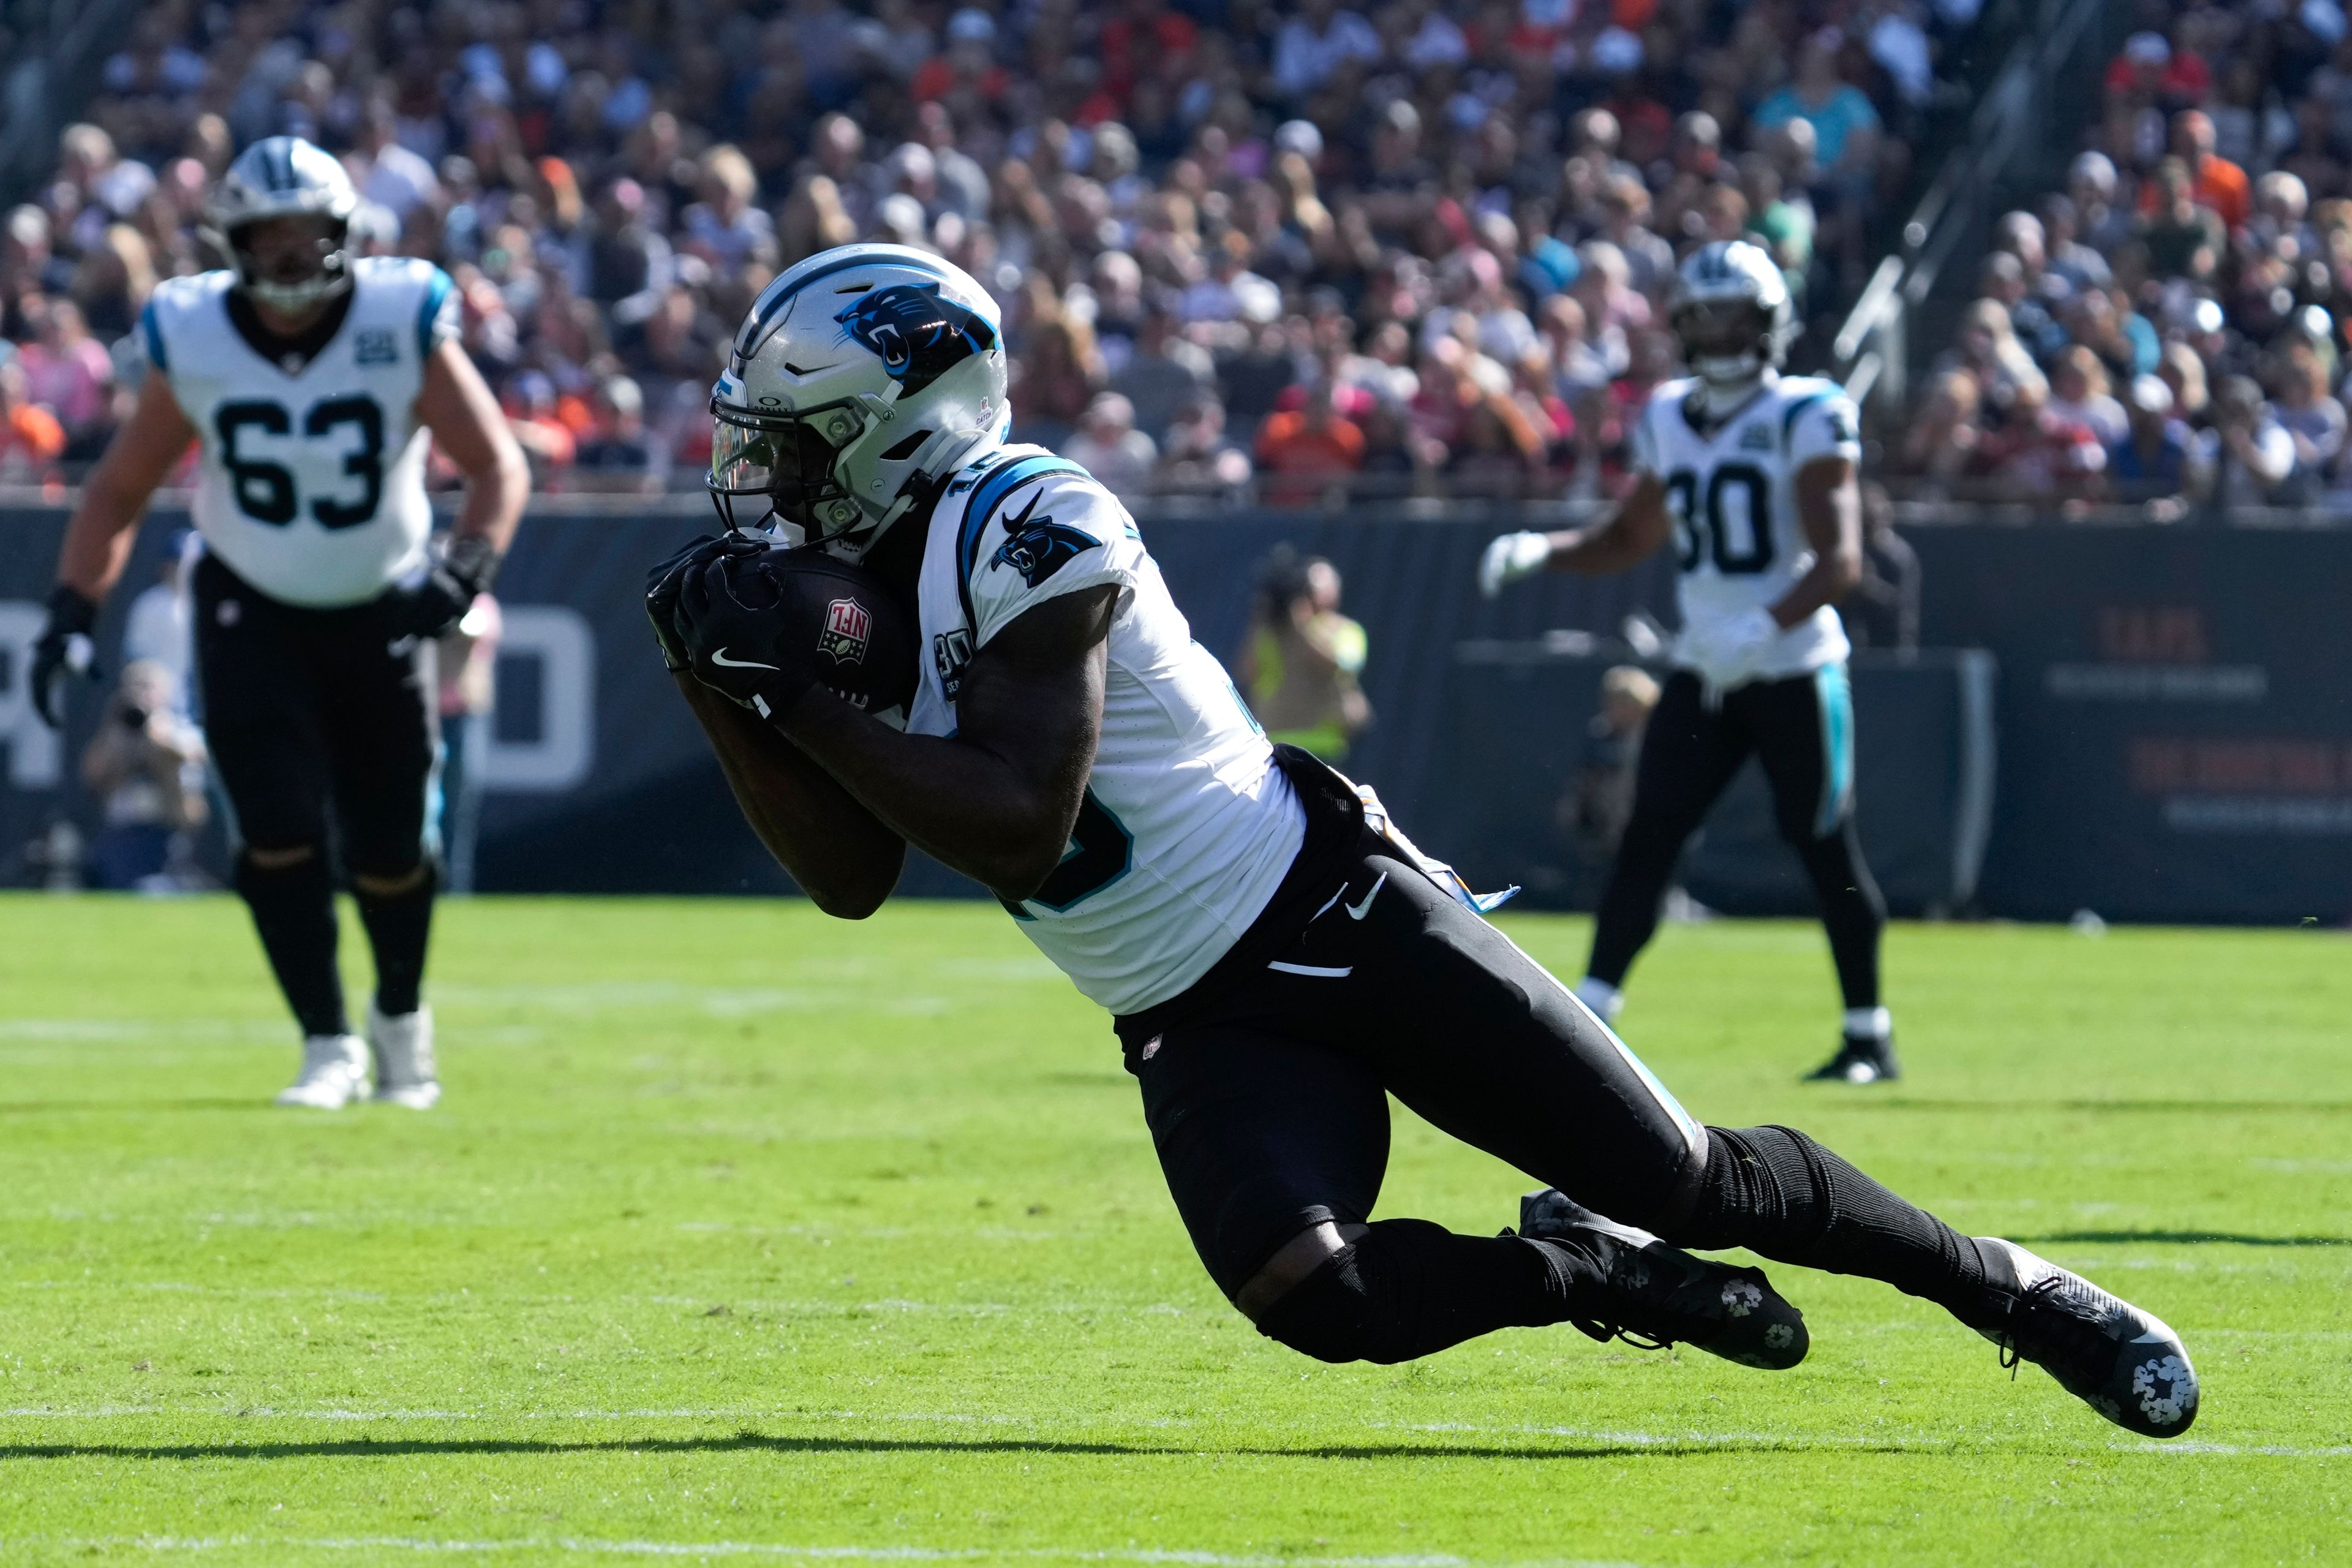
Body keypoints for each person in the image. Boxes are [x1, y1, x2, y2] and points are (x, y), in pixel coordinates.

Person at [644, 242, 2199, 1441]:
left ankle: (2007, 1283)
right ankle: (1575, 1271)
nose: (766, 477)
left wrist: (797, 702)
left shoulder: (1033, 520)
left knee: (1690, 1174)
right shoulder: (849, 571)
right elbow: (850, 881)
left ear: (895, 424)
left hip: (1335, 911)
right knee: (1308, 1297)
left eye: (795, 440)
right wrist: (724, 698)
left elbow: (1012, 817)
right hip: (1187, 1007)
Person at [28, 137, 530, 1110]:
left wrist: (461, 573)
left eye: (310, 237)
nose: (293, 257)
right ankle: (325, 1040)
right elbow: (120, 488)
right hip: (248, 603)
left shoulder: (398, 314)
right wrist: (69, 612)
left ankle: (398, 1020)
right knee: (276, 829)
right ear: (233, 243)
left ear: (345, 236)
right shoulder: (196, 331)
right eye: (272, 238)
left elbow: (496, 466)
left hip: (379, 595)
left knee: (390, 848)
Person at [1480, 241, 1898, 1084]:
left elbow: (1841, 558)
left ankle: (1868, 1034)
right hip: (1705, 668)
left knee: (1820, 843)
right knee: (1649, 837)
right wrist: (1545, 551)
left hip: (1793, 666)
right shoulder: (1669, 414)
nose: (1717, 330)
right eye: (1703, 315)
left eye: (1733, 314)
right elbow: (1629, 537)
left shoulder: (1806, 411)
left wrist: (1767, 621)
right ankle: (1590, 1023)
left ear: (1770, 322)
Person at [80, 659, 208, 891]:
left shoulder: (177, 729)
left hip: (168, 834)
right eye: (134, 687)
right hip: (122, 835)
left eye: (147, 687)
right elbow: (93, 775)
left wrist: (158, 737)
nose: (141, 694)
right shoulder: (118, 731)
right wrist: (116, 736)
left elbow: (193, 755)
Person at [1234, 549, 1371, 764]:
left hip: (1322, 746)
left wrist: (1301, 627)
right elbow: (1247, 673)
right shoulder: (1270, 632)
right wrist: (1259, 622)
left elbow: (1343, 666)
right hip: (1275, 744)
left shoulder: (1345, 630)